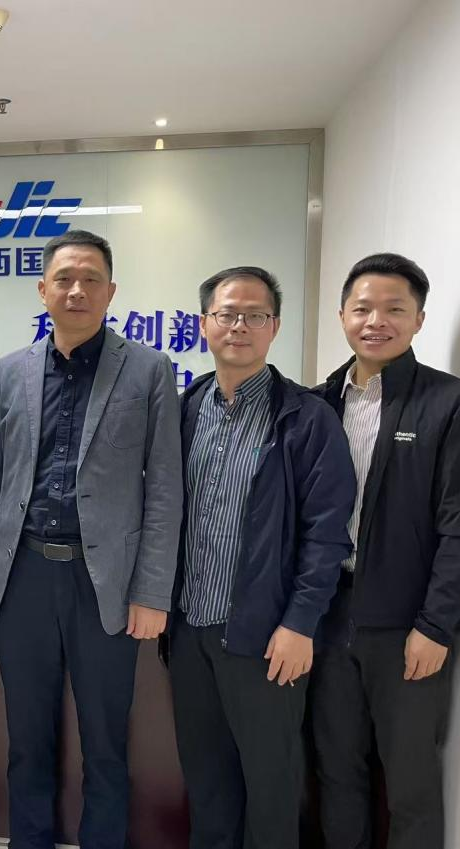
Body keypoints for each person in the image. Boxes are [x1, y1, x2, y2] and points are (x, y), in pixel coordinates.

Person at [0, 229, 182, 849]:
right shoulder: (10, 371)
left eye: (91, 279)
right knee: (27, 738)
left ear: (111, 291)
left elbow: (165, 489)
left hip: (104, 582)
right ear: (43, 290)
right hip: (24, 578)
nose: (77, 290)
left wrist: (151, 592)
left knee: (106, 743)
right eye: (64, 279)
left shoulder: (148, 370)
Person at [165, 267, 355, 849]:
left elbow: (328, 534)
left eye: (255, 315)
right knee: (207, 786)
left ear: (274, 327)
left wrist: (300, 623)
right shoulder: (185, 408)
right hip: (190, 632)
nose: (239, 326)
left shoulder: (306, 418)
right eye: (227, 314)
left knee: (271, 790)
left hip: (266, 637)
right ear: (204, 324)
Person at [310, 253, 460, 849]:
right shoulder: (318, 404)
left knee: (411, 784)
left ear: (418, 320)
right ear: (342, 315)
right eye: (362, 308)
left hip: (406, 629)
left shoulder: (450, 402)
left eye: (394, 309)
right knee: (337, 774)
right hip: (326, 619)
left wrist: (436, 625)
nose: (376, 321)